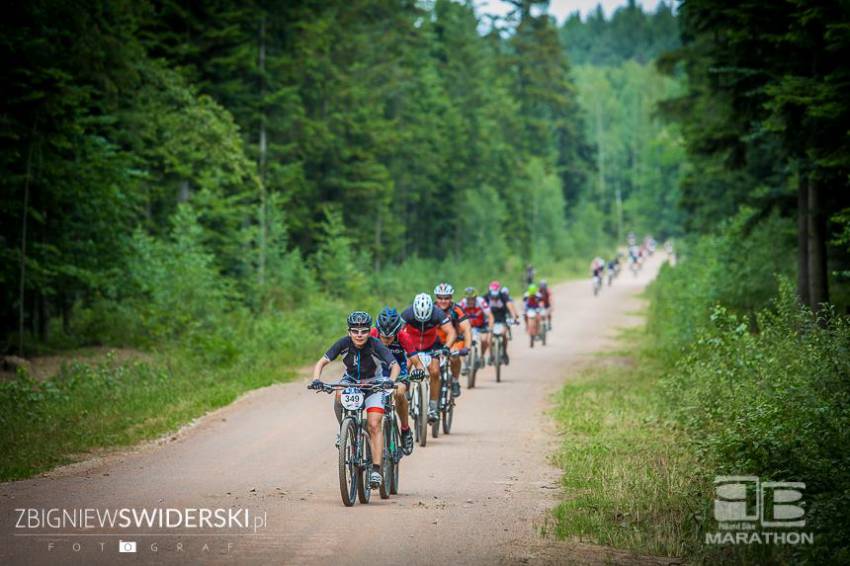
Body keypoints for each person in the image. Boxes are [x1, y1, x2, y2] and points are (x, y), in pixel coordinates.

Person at [311, 311, 399, 488]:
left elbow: (394, 365)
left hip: (374, 383)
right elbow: (321, 362)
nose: (359, 335)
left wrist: (390, 381)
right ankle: (344, 428)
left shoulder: (375, 344)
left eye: (364, 331)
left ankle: (375, 470)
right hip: (351, 381)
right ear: (348, 332)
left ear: (369, 331)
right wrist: (316, 380)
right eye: (355, 331)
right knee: (337, 392)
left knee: (374, 424)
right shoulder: (343, 344)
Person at [400, 293, 456, 423]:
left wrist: (446, 347)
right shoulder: (407, 313)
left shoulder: (438, 314)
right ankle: (406, 396)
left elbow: (451, 332)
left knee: (435, 372)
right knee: (406, 367)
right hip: (412, 347)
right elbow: (397, 331)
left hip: (432, 346)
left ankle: (433, 407)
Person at [370, 307, 416, 455]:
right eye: (383, 336)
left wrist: (420, 370)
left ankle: (405, 430)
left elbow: (416, 361)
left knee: (399, 392)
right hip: (377, 371)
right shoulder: (371, 334)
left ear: (397, 332)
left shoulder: (404, 337)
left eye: (389, 338)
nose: (385, 341)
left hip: (399, 372)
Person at [433, 283, 471, 398]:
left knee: (454, 355)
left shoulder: (456, 309)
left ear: (451, 298)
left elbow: (467, 329)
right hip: (435, 342)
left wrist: (467, 348)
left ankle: (455, 381)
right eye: (440, 298)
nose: (443, 301)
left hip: (454, 342)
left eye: (446, 298)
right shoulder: (430, 309)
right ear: (436, 298)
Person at [486, 281, 521, 364]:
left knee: (504, 335)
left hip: (502, 319)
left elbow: (510, 306)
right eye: (493, 296)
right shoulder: (486, 297)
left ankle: (504, 352)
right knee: (489, 338)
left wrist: (514, 317)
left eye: (496, 296)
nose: (494, 298)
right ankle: (491, 355)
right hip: (490, 320)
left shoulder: (504, 296)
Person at [459, 287, 495, 368]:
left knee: (485, 340)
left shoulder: (481, 301)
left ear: (476, 298)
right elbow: (455, 317)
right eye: (469, 299)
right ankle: (463, 363)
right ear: (466, 299)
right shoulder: (462, 303)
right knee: (460, 341)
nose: (470, 301)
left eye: (472, 299)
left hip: (481, 325)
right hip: (468, 326)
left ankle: (482, 356)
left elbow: (490, 316)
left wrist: (491, 328)